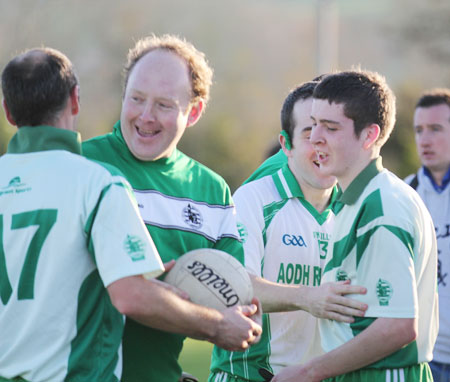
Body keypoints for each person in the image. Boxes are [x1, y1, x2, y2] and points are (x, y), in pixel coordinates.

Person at [82, 34, 262, 382]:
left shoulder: (211, 190)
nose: (145, 116)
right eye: (136, 99)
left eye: (164, 105)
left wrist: (244, 317)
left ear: (192, 112)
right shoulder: (82, 165)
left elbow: (236, 291)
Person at [0, 47, 165, 381]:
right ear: (75, 99)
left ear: (8, 112)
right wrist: (217, 325)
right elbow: (131, 295)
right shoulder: (99, 182)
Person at [273, 70, 439, 382]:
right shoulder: (355, 200)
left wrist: (310, 371)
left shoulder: (383, 204)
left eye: (331, 127)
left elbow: (398, 326)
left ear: (369, 135)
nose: (315, 137)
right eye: (313, 124)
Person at [209, 81, 368, 382]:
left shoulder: (358, 209)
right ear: (286, 145)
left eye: (332, 131)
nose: (322, 143)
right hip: (250, 376)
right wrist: (307, 297)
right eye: (310, 134)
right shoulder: (253, 198)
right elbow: (238, 288)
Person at [405, 88, 450, 382]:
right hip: (426, 357)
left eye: (436, 129)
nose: (425, 139)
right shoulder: (406, 193)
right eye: (419, 130)